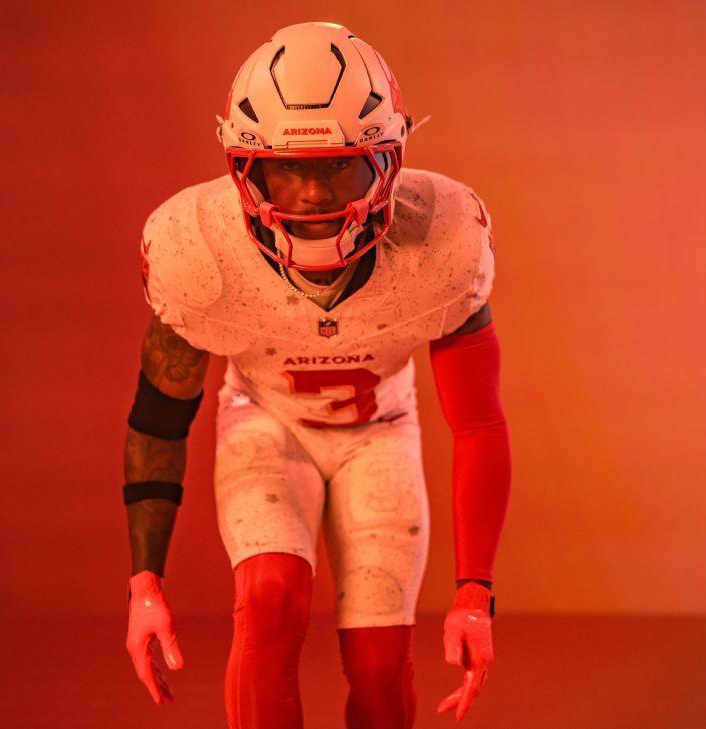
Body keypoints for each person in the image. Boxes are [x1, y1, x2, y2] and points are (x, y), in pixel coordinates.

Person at [123, 21, 511, 729]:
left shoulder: (442, 241)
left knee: (379, 665)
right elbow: (159, 419)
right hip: (266, 424)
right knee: (268, 599)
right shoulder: (195, 250)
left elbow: (479, 422)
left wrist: (474, 592)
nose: (310, 192)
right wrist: (144, 580)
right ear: (244, 168)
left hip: (380, 431)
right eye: (287, 168)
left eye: (338, 166)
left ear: (388, 160)